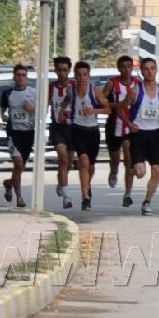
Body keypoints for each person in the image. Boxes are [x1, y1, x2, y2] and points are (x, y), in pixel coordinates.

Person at [120, 57, 159, 215]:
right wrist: (128, 123)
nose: (149, 72)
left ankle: (147, 202)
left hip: (155, 135)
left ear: (156, 70)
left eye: (152, 68)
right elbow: (120, 109)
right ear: (142, 71)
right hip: (139, 135)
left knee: (156, 170)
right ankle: (132, 167)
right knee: (140, 173)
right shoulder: (135, 91)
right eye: (146, 69)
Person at [68, 61, 107, 212]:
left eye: (85, 74)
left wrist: (94, 111)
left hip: (92, 131)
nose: (82, 78)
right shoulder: (71, 91)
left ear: (88, 75)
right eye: (79, 75)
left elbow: (108, 109)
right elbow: (65, 103)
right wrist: (64, 111)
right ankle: (85, 197)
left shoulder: (95, 90)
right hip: (77, 130)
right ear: (75, 76)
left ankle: (87, 186)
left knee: (90, 166)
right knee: (83, 162)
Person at [0, 64, 37, 208]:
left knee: (19, 168)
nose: (21, 78)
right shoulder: (8, 93)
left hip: (28, 133)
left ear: (27, 78)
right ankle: (19, 198)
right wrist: (3, 116)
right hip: (13, 133)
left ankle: (9, 184)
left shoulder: (33, 93)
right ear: (14, 77)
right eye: (18, 75)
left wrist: (31, 109)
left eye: (23, 75)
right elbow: (2, 110)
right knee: (19, 164)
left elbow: (42, 111)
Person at [104, 54, 137, 203]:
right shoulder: (112, 83)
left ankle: (128, 193)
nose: (126, 70)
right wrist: (116, 105)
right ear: (118, 68)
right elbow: (102, 102)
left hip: (131, 124)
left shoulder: (137, 83)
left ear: (132, 68)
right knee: (115, 158)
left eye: (129, 67)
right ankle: (114, 170)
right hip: (114, 124)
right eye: (123, 67)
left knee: (129, 159)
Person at [46, 56, 75, 209]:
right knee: (63, 159)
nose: (62, 73)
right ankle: (66, 196)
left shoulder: (74, 86)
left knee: (69, 162)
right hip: (57, 127)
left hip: (72, 127)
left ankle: (61, 183)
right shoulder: (51, 87)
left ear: (69, 70)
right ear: (56, 70)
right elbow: (44, 104)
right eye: (59, 70)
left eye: (65, 70)